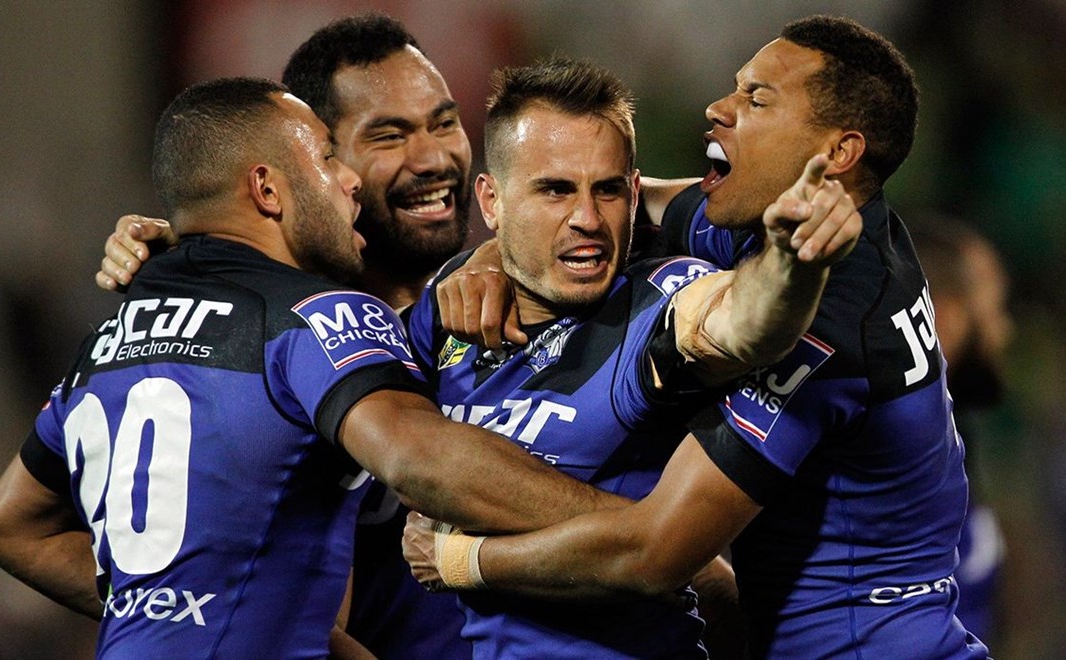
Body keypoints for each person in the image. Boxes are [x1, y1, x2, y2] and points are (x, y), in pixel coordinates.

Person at [0, 76, 631, 658]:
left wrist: (178, 607)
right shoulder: (316, 316)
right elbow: (423, 462)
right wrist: (631, 531)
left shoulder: (109, 341)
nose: (349, 179)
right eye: (324, 157)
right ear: (266, 189)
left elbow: (9, 528)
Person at [406, 15, 990, 659]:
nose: (719, 108)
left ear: (837, 154)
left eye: (757, 99)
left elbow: (658, 553)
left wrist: (462, 560)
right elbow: (620, 206)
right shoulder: (776, 220)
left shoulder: (829, 319)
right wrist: (497, 252)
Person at [97, 15, 478, 659]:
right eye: (388, 136)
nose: (433, 159)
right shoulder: (277, 347)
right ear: (317, 162)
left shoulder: (518, 299)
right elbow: (20, 529)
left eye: (444, 124)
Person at [910, 215, 1012, 644]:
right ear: (948, 318)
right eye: (993, 308)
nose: (1004, 331)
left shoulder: (952, 440)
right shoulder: (897, 455)